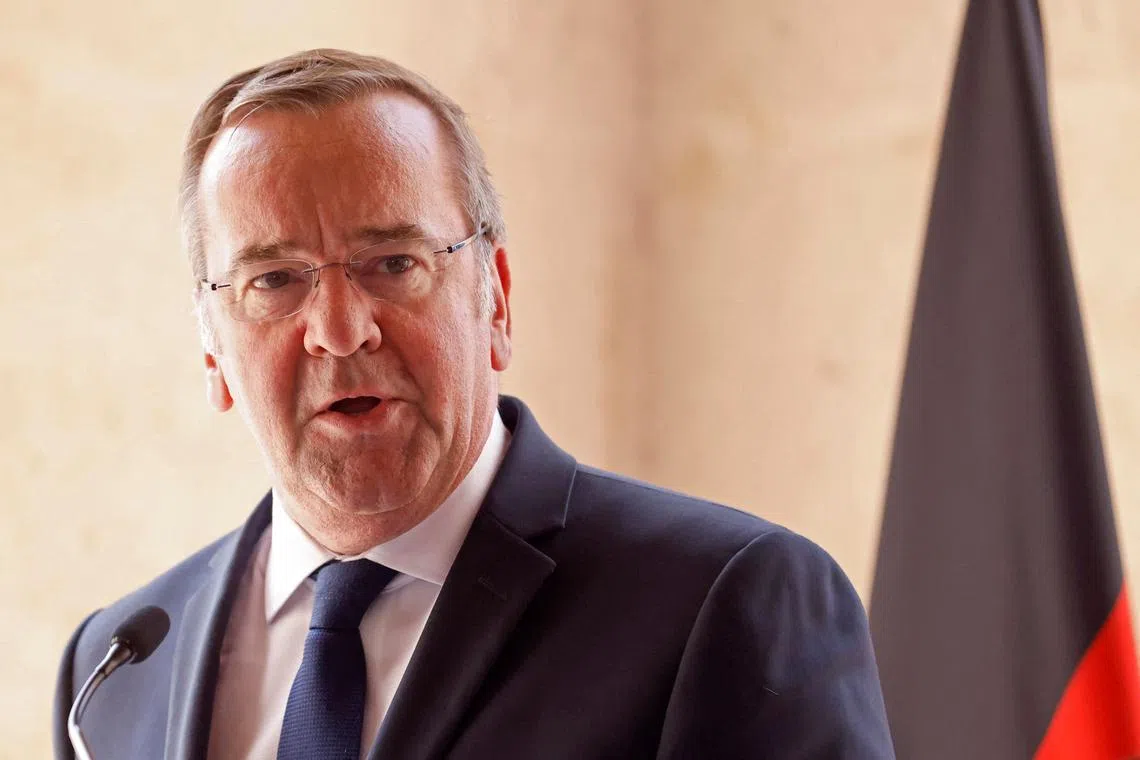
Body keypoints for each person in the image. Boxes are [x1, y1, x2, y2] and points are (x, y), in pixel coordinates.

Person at [52, 49, 895, 759]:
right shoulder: (117, 666)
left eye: (392, 262)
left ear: (493, 297)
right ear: (211, 347)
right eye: (274, 280)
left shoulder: (728, 602)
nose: (340, 332)